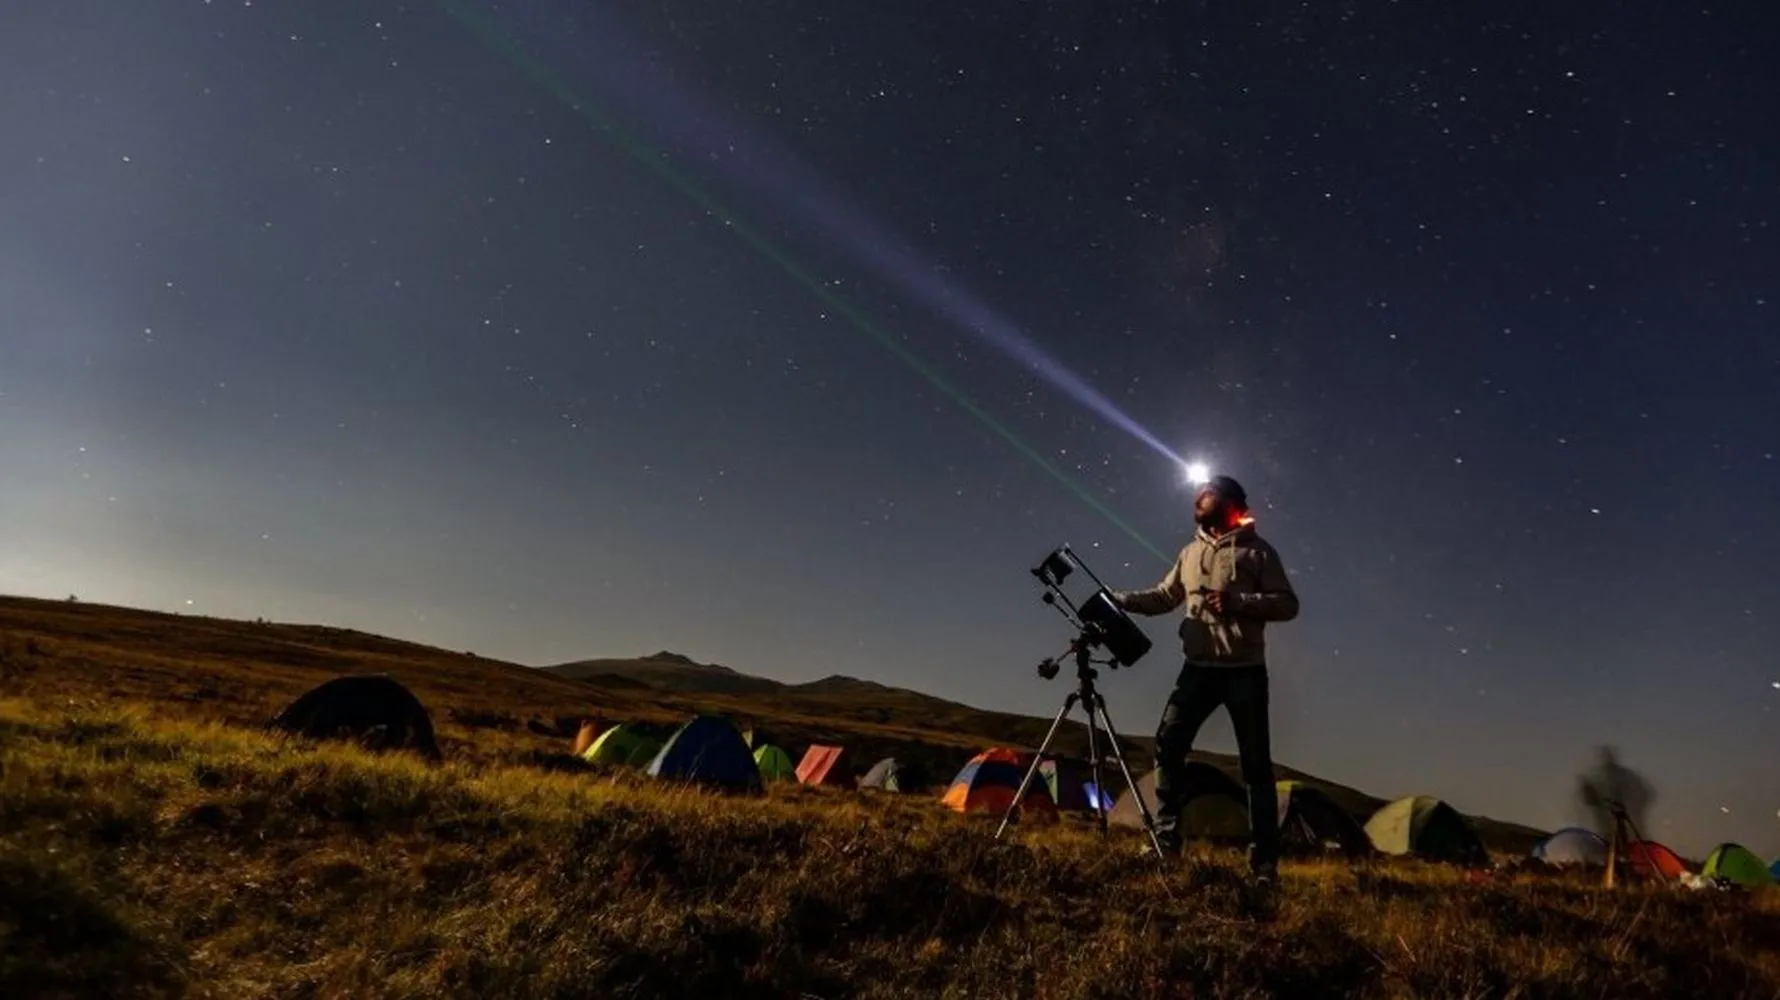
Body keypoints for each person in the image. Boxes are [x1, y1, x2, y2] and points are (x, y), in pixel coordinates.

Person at [1112, 475, 1299, 881]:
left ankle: (1264, 864)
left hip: (1245, 673)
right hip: (1196, 670)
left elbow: (1287, 605)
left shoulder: (1258, 553)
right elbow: (1165, 596)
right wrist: (1120, 599)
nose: (1199, 498)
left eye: (1208, 493)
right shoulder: (1190, 552)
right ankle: (1165, 842)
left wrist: (1238, 602)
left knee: (1255, 768)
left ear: (1231, 503)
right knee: (1168, 744)